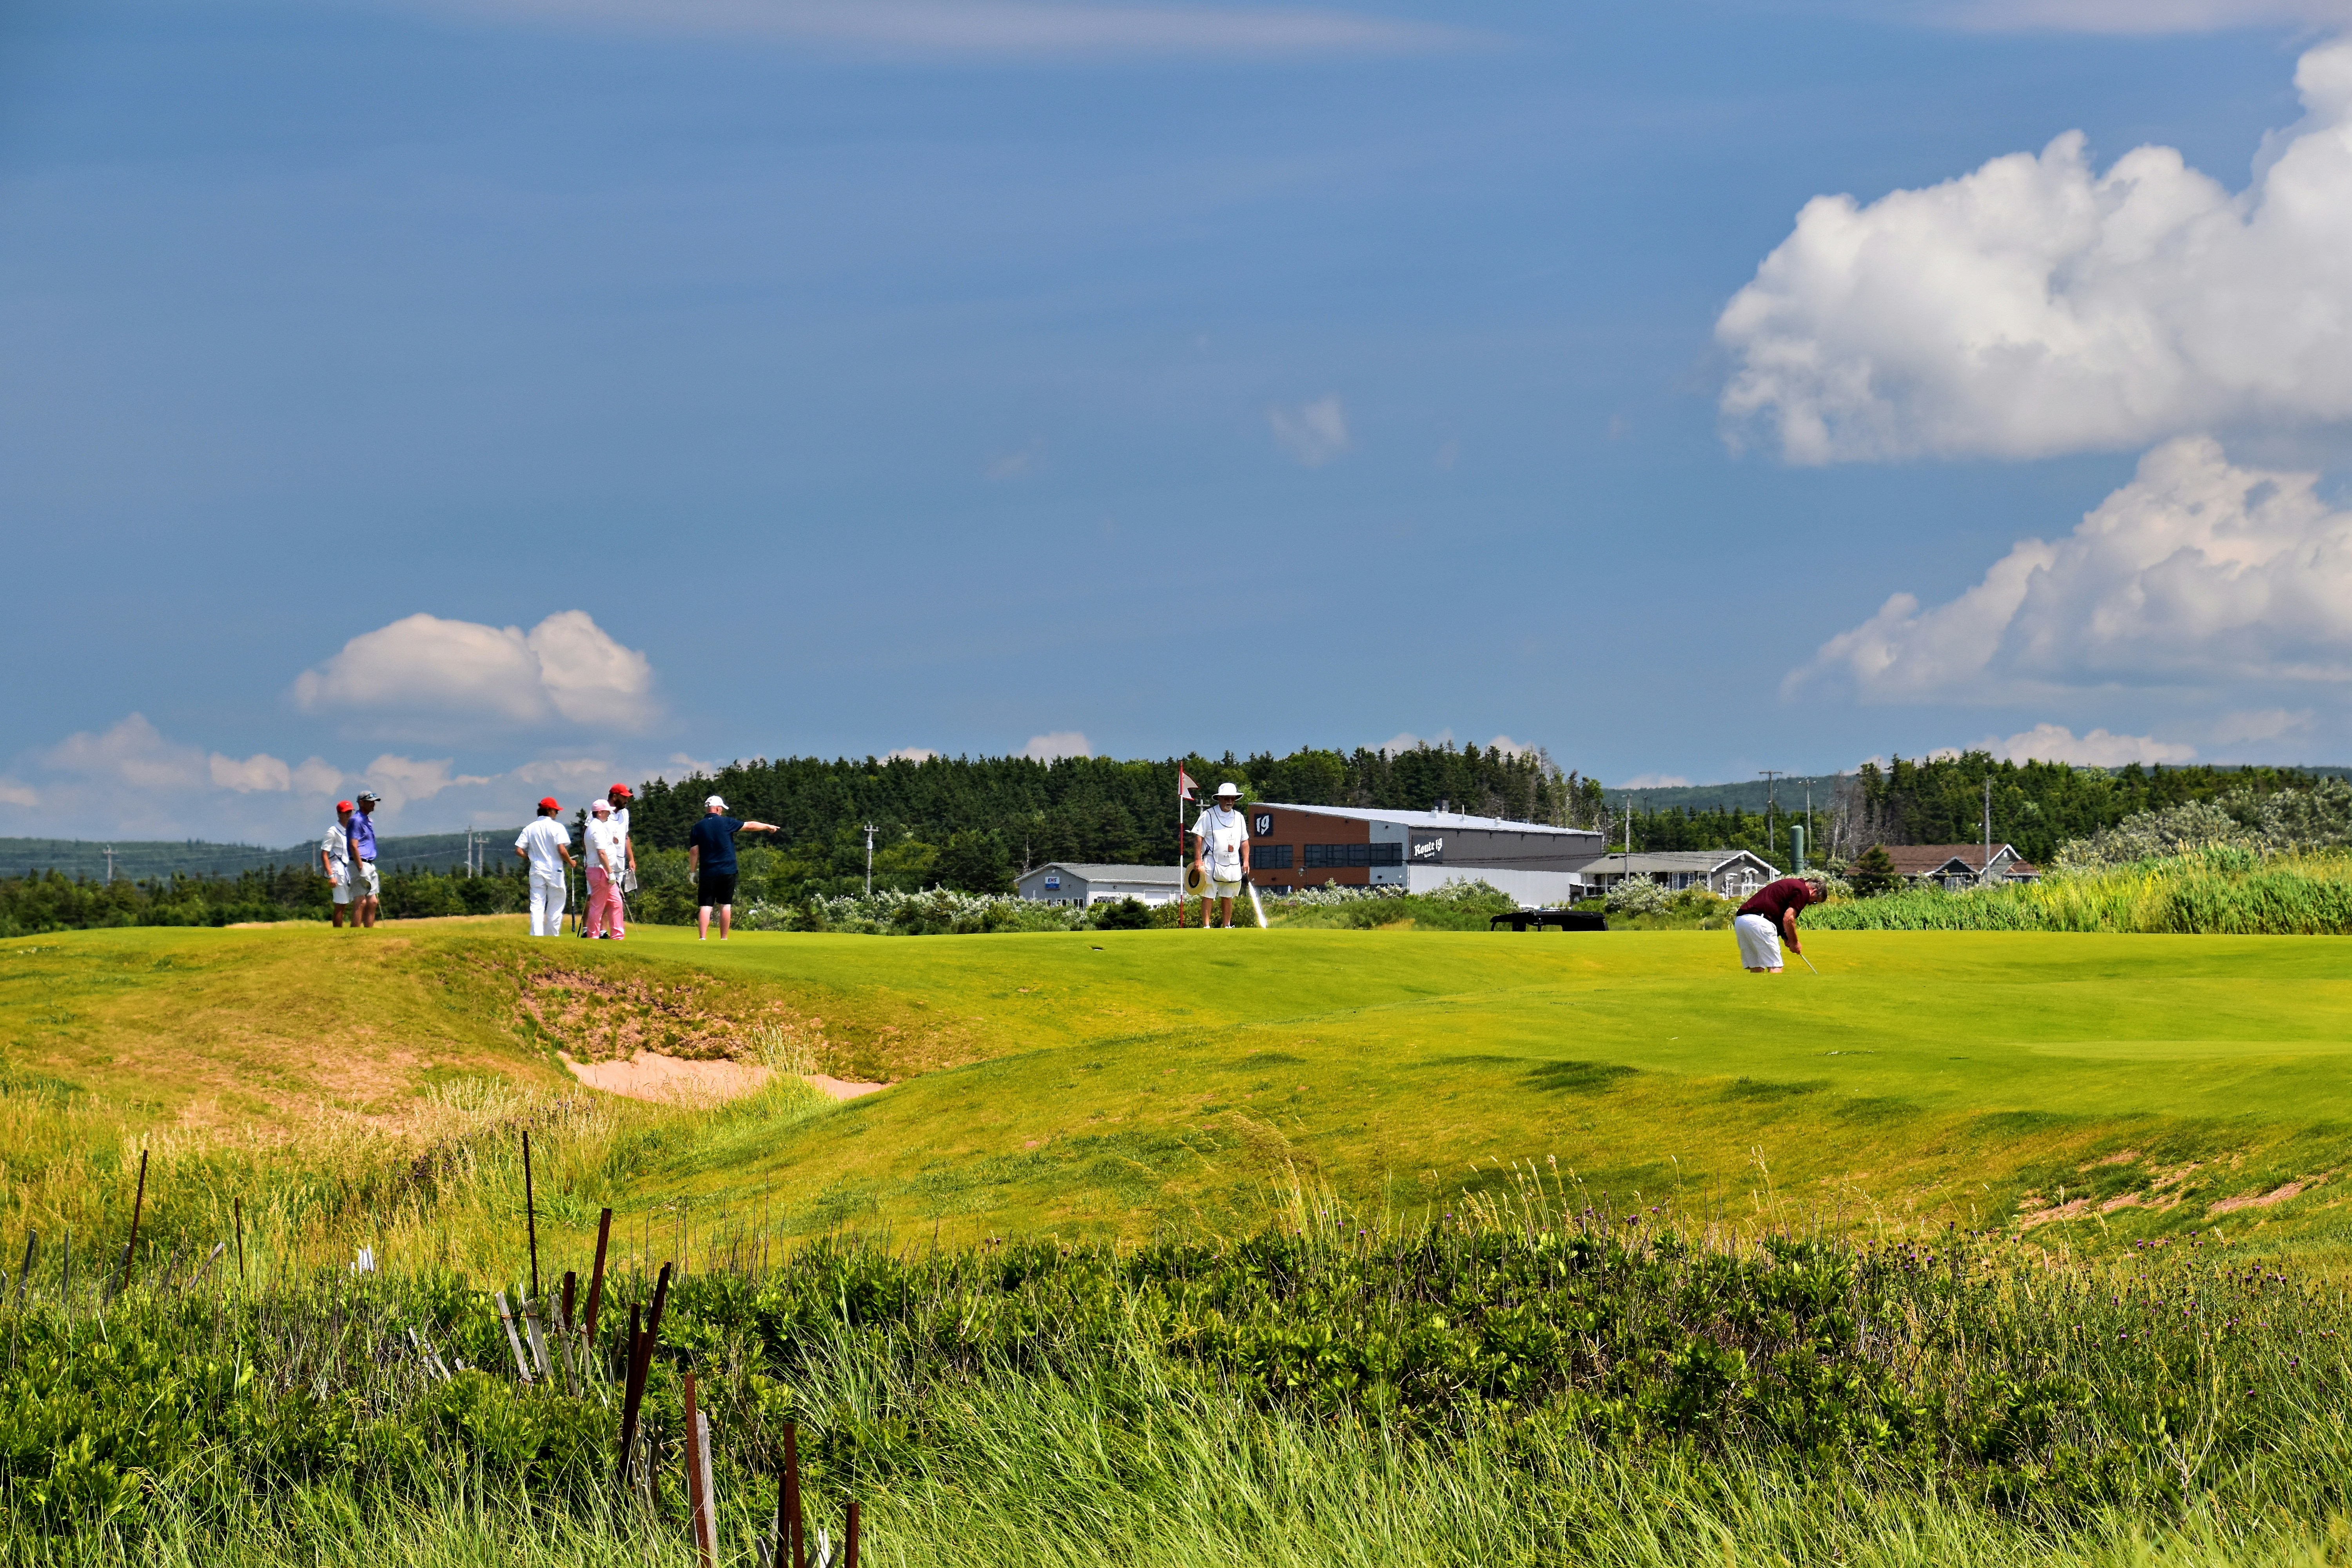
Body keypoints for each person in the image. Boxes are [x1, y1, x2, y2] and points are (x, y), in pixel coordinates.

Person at [686, 794, 779, 940]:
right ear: (717, 809)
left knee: (705, 906)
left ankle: (703, 938)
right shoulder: (727, 823)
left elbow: (694, 851)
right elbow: (749, 826)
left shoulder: (697, 827)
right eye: (721, 809)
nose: (722, 811)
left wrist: (693, 872)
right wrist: (767, 826)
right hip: (728, 870)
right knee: (725, 905)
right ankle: (724, 938)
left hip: (708, 871)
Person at [1734, 871, 1828, 973]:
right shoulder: (1803, 891)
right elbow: (1789, 919)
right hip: (1759, 922)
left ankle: (1757, 990)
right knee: (1775, 966)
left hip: (1742, 922)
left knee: (1757, 967)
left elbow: (1779, 913)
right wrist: (1795, 943)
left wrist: (1786, 937)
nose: (1811, 904)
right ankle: (1776, 989)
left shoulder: (1792, 885)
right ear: (1814, 891)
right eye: (1815, 901)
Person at [515, 796, 577, 936]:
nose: (557, 813)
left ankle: (537, 935)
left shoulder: (530, 828)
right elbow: (562, 850)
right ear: (549, 810)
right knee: (556, 902)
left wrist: (530, 858)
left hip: (536, 868)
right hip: (555, 868)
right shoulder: (557, 827)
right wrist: (570, 862)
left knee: (537, 904)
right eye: (555, 810)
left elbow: (519, 850)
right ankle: (552, 935)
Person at [1192, 781, 1251, 929]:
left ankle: (1227, 925)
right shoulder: (1208, 815)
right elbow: (1198, 837)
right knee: (1209, 893)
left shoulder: (1239, 817)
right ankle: (1206, 925)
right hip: (1211, 861)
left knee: (1228, 894)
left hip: (1232, 862)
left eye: (1232, 798)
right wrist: (1198, 860)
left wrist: (1246, 861)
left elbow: (1245, 841)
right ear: (1219, 799)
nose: (1230, 801)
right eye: (1226, 798)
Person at [583, 798, 626, 940]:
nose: (609, 814)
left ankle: (618, 936)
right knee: (598, 906)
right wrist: (610, 872)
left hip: (604, 870)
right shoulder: (596, 828)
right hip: (600, 870)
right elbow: (601, 853)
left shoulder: (599, 826)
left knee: (616, 902)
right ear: (600, 812)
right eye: (607, 812)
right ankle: (593, 936)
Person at [347, 791, 383, 928]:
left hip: (369, 863)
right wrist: (360, 866)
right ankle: (355, 931)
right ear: (361, 803)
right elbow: (353, 845)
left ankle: (369, 932)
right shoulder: (357, 820)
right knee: (361, 900)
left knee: (373, 902)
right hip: (360, 863)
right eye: (370, 802)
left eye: (374, 802)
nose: (373, 804)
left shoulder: (367, 820)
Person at [321, 801, 354, 929]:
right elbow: (324, 854)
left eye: (350, 812)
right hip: (338, 870)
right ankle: (337, 932)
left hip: (350, 869)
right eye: (346, 812)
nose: (349, 815)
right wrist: (331, 876)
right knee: (341, 904)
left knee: (353, 902)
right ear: (339, 814)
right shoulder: (333, 832)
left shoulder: (351, 830)